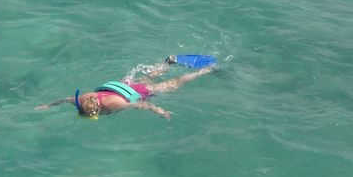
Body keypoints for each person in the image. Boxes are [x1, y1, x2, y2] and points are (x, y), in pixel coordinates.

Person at [35, 56, 217, 120]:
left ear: (96, 111)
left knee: (173, 84)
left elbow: (140, 104)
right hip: (123, 86)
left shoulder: (112, 105)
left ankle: (205, 71)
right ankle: (168, 62)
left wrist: (159, 111)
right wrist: (48, 105)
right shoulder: (82, 99)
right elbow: (65, 99)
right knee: (147, 77)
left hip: (134, 92)